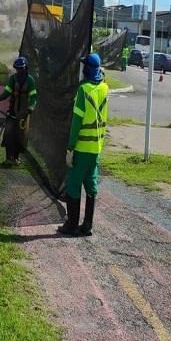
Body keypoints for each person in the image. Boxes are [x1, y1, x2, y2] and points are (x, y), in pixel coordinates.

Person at [58, 53, 109, 237]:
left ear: (86, 69)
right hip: (96, 147)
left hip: (81, 147)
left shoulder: (83, 90)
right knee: (91, 185)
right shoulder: (104, 88)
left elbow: (76, 123)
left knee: (73, 185)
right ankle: (87, 226)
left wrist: (70, 147)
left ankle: (71, 225)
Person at [0, 56, 37, 164]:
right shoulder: (12, 79)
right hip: (12, 113)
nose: (19, 71)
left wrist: (31, 107)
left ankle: (16, 158)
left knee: (20, 137)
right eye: (17, 69)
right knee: (8, 134)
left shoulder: (30, 80)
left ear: (25, 68)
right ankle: (8, 158)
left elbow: (33, 97)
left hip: (23, 115)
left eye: (21, 68)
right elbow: (7, 92)